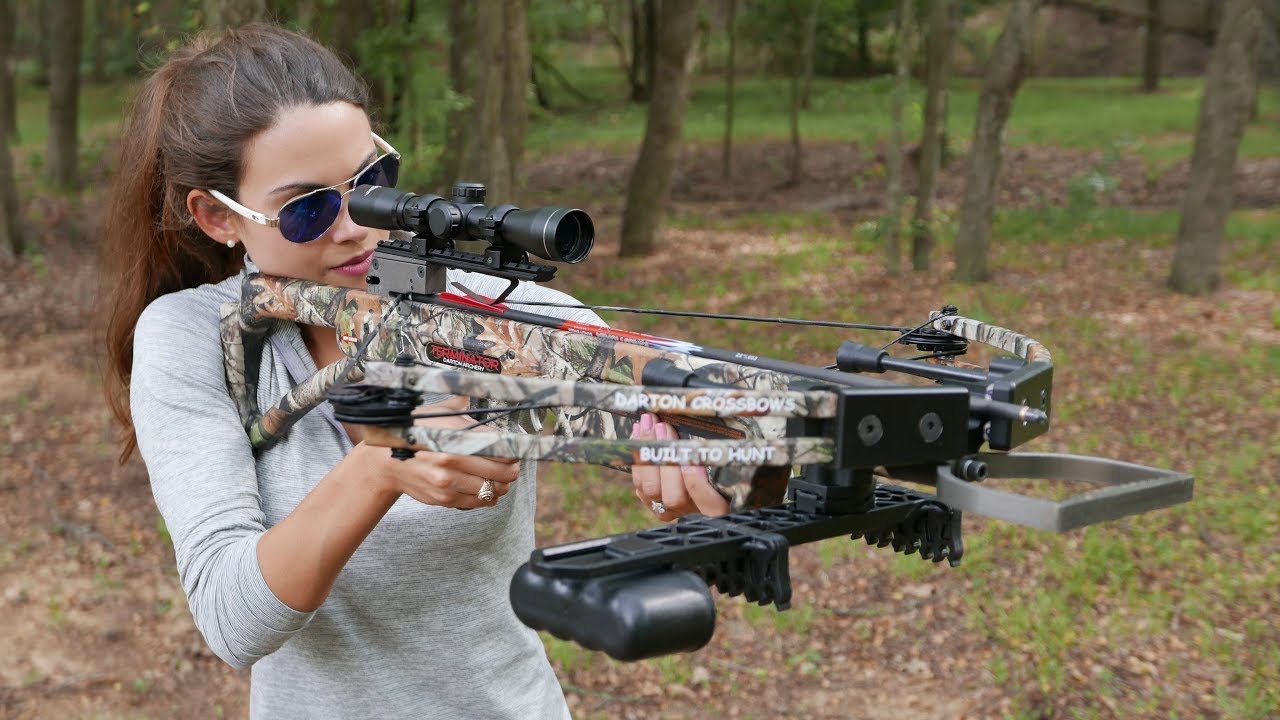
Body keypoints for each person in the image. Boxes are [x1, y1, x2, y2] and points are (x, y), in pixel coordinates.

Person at [100, 24, 728, 720]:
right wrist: (381, 468)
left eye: (371, 184)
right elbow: (232, 620)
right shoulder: (190, 335)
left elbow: (663, 379)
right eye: (307, 209)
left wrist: (697, 455)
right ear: (219, 218)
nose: (354, 226)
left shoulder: (488, 309)